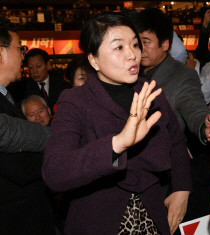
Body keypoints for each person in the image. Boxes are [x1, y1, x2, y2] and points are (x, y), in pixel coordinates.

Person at [42, 12, 192, 235]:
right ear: (93, 60)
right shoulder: (75, 100)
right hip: (97, 217)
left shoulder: (150, 92)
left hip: (152, 215)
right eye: (119, 47)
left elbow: (177, 143)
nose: (132, 54)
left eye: (135, 44)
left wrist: (182, 188)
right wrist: (118, 144)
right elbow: (54, 172)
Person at [135, 8, 210, 148]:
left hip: (164, 158)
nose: (141, 49)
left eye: (146, 42)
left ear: (165, 44)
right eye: (137, 43)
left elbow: (194, 108)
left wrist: (206, 126)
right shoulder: (130, 71)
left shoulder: (182, 75)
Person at [0, 19, 55, 234]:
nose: (24, 54)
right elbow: (20, 167)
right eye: (20, 48)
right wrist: (61, 150)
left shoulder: (8, 96)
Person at [10, 48, 71, 113]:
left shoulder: (63, 86)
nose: (35, 71)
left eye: (38, 66)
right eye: (31, 67)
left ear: (48, 65)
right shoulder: (21, 88)